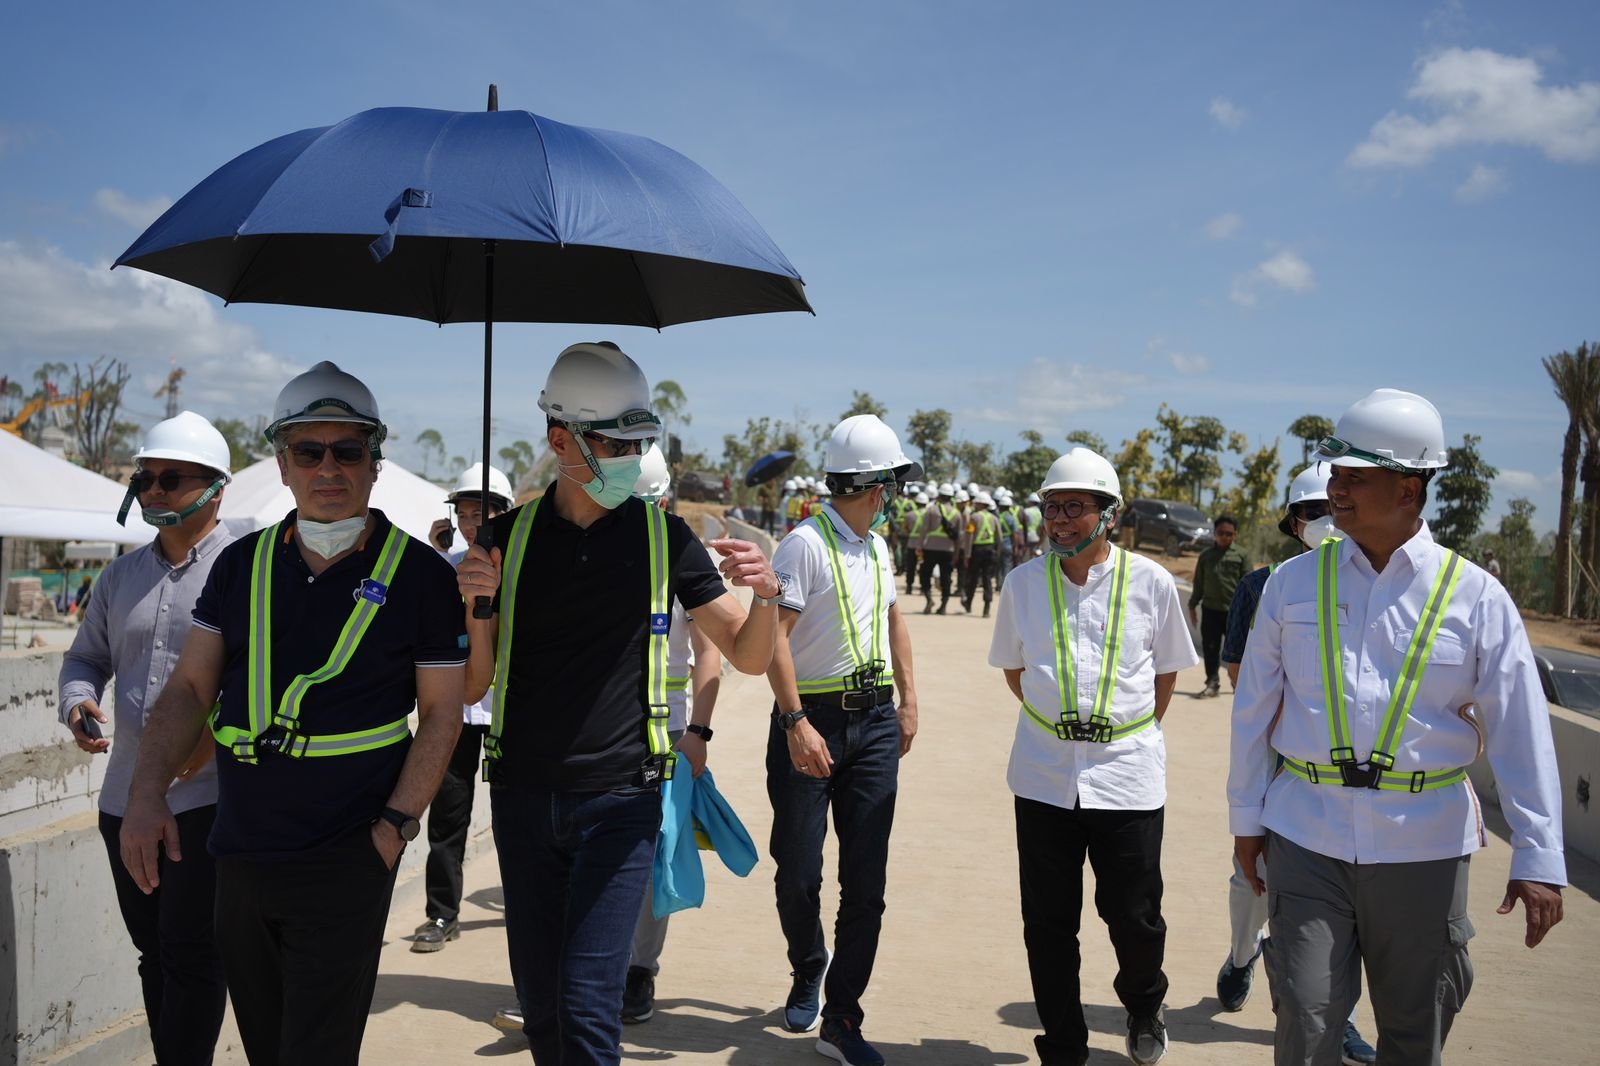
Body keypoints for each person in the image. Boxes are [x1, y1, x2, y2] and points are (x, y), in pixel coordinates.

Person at [119, 362, 468, 1066]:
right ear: (282, 464)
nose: (329, 468)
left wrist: (395, 829)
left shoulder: (423, 577)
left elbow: (440, 715)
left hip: (349, 856)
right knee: (268, 1047)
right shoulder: (240, 565)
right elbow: (189, 689)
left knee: (315, 1053)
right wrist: (146, 792)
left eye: (348, 451)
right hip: (239, 852)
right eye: (310, 451)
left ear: (375, 464)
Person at [454, 341, 782, 1065]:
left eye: (642, 440)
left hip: (622, 801)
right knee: (541, 1008)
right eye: (615, 441)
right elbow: (473, 687)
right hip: (522, 795)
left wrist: (767, 593)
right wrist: (476, 604)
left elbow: (750, 655)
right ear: (560, 439)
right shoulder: (505, 542)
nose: (632, 456)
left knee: (588, 1003)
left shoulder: (666, 538)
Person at [1228, 389, 1566, 1066]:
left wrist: (1539, 854)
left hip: (1426, 849)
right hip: (1306, 832)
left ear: (1409, 488)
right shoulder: (1292, 586)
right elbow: (1253, 714)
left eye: (1355, 477)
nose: (1335, 490)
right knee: (1304, 1013)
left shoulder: (1476, 598)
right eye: (1334, 475)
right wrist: (1247, 820)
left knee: (1414, 1032)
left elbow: (1520, 730)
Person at [987, 447, 1199, 1066]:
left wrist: (1119, 737)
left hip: (1127, 776)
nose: (1059, 520)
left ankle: (1142, 1005)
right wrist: (1063, 730)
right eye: (1052, 508)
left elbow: (1165, 678)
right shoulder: (1022, 583)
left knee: (1135, 918)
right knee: (1048, 924)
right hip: (1043, 774)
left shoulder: (1152, 583)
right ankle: (1063, 1044)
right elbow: (1015, 671)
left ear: (1109, 514)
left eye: (1075, 507)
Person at [59, 411, 235, 1066]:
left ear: (216, 488)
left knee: (192, 953)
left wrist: (208, 741)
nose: (154, 490)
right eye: (146, 478)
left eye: (170, 478)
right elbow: (84, 659)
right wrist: (78, 702)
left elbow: (260, 678)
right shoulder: (118, 577)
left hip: (204, 801)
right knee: (154, 951)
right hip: (124, 801)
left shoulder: (243, 569)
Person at [766, 413, 920, 1066]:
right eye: (888, 486)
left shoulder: (878, 549)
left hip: (876, 724)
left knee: (866, 883)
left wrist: (909, 698)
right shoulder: (803, 546)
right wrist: (796, 721)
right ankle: (809, 963)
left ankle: (843, 1016)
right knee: (799, 872)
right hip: (811, 722)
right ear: (873, 486)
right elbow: (772, 636)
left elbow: (892, 619)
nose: (891, 498)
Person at [1212, 464, 1377, 1064]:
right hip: (1287, 761)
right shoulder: (1266, 585)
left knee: (1341, 904)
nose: (1326, 524)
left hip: (1359, 773)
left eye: (1331, 511)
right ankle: (1240, 953)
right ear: (1294, 524)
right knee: (1250, 878)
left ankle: (1342, 1018)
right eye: (1313, 515)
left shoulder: (1383, 582)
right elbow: (1239, 670)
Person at [623, 445, 724, 1025]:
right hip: (602, 732)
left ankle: (641, 971)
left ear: (663, 501)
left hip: (668, 733)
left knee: (654, 855)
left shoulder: (685, 556)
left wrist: (700, 734)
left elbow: (711, 655)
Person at [408, 463, 518, 954]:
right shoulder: (446, 565)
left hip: (507, 712)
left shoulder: (521, 567)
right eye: (466, 514)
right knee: (447, 816)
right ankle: (441, 913)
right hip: (457, 710)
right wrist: (437, 556)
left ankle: (525, 911)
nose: (473, 524)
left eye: (483, 514)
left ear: (504, 516)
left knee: (516, 819)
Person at [1188, 514, 1249, 698]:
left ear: (1235, 534)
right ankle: (1212, 682)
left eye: (1229, 534)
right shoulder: (1206, 556)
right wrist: (1192, 606)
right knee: (1211, 648)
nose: (1225, 537)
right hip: (1210, 610)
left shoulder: (1242, 556)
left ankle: (1239, 684)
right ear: (1215, 533)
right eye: (1221, 533)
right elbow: (1198, 583)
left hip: (1235, 613)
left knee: (1237, 651)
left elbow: (1249, 584)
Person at [913, 483, 960, 614]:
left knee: (925, 574)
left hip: (931, 548)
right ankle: (943, 606)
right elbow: (958, 536)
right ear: (951, 497)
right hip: (948, 550)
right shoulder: (957, 514)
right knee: (946, 578)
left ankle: (929, 599)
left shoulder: (932, 510)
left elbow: (924, 529)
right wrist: (957, 553)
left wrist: (919, 546)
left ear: (939, 496)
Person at [961, 490, 1001, 616]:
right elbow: (999, 537)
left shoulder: (974, 517)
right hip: (990, 551)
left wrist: (967, 555)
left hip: (977, 551)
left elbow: (969, 536)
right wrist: (997, 552)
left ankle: (968, 603)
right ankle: (986, 608)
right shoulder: (994, 518)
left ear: (979, 504)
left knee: (973, 578)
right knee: (987, 579)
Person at [994, 489, 1022, 590]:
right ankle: (1003, 586)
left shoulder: (995, 516)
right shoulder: (1011, 518)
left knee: (998, 565)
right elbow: (1015, 534)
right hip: (1008, 544)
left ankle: (998, 584)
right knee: (1007, 565)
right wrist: (1016, 547)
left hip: (996, 545)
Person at [1022, 491, 1044, 558]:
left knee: (1026, 557)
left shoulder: (1025, 511)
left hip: (1027, 537)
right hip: (1037, 537)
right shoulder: (1041, 513)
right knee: (1034, 557)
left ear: (1030, 502)